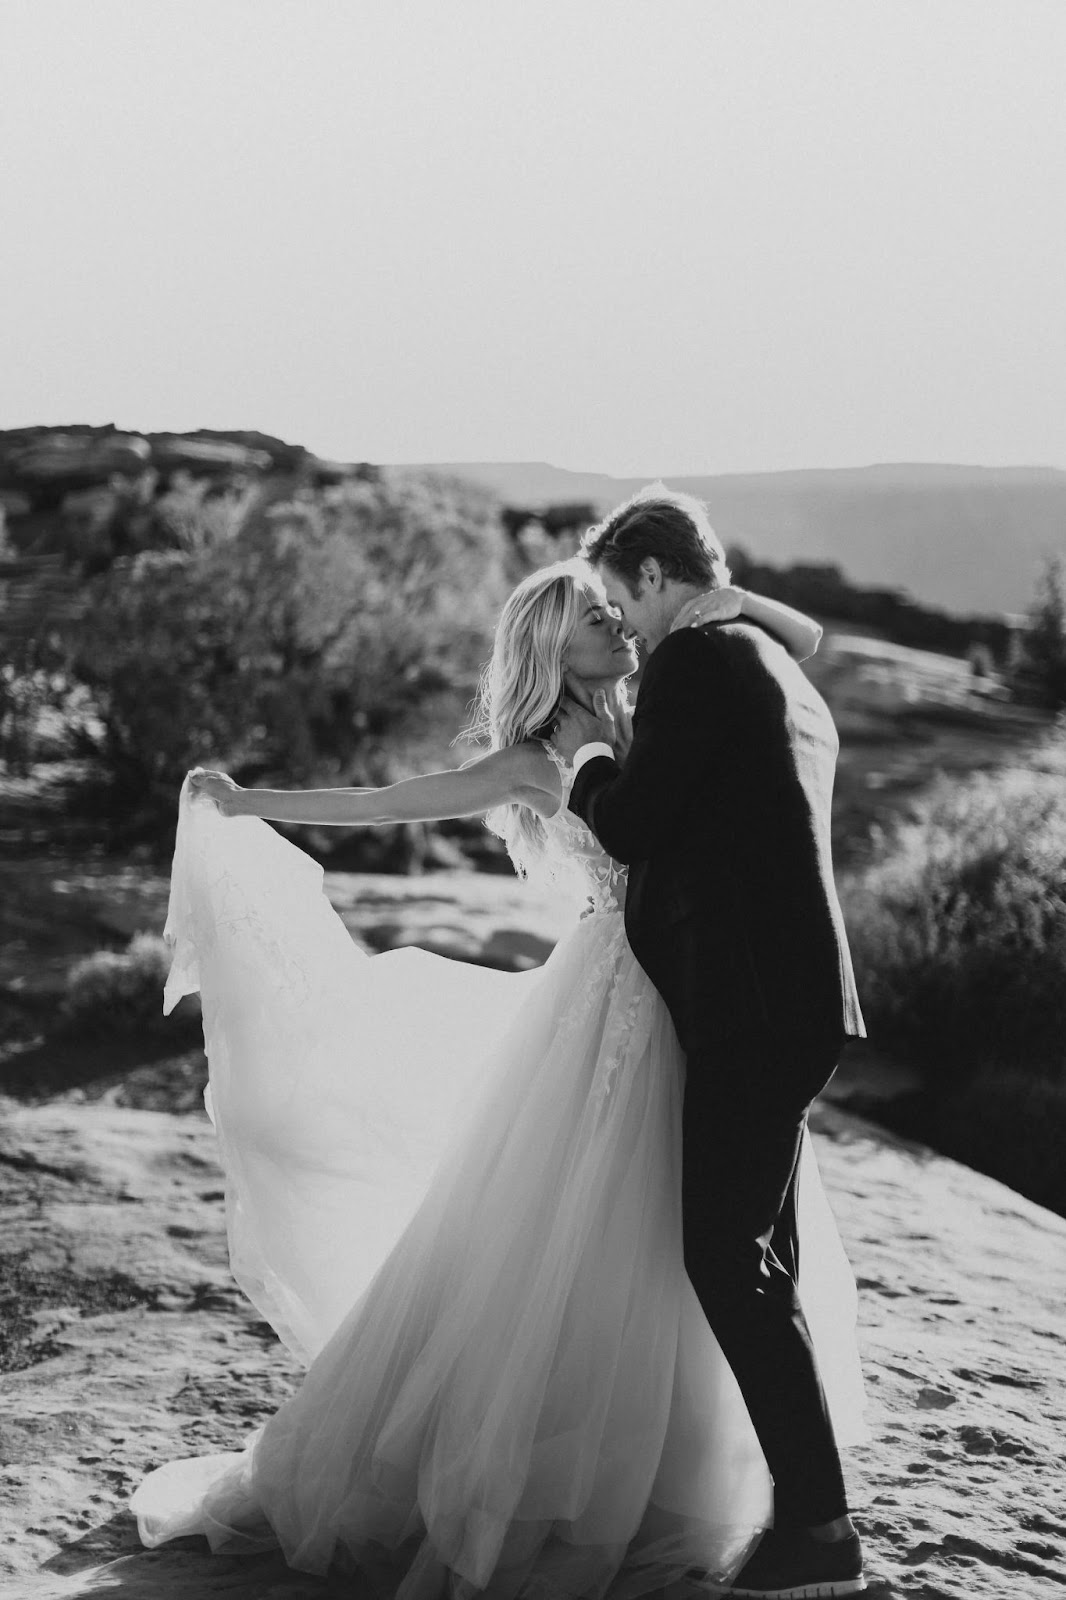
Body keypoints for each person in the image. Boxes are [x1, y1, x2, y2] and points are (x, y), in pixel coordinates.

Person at [130, 554, 866, 1600]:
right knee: (594, 1238)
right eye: (592, 617)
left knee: (689, 1248)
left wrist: (731, 599)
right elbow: (394, 799)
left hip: (697, 1004)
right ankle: (575, 1483)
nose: (617, 622)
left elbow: (786, 657)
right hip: (615, 1010)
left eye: (617, 609)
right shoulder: (538, 757)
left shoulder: (662, 699)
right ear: (547, 645)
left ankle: (698, 1479)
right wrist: (249, 801)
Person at [553, 485, 867, 1598]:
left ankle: (820, 1529)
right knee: (755, 1261)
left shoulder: (694, 661)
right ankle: (811, 1514)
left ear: (649, 576)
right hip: (791, 1001)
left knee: (723, 1260)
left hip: (751, 1005)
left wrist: (589, 759)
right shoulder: (761, 656)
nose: (619, 627)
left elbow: (633, 825)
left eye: (615, 600)